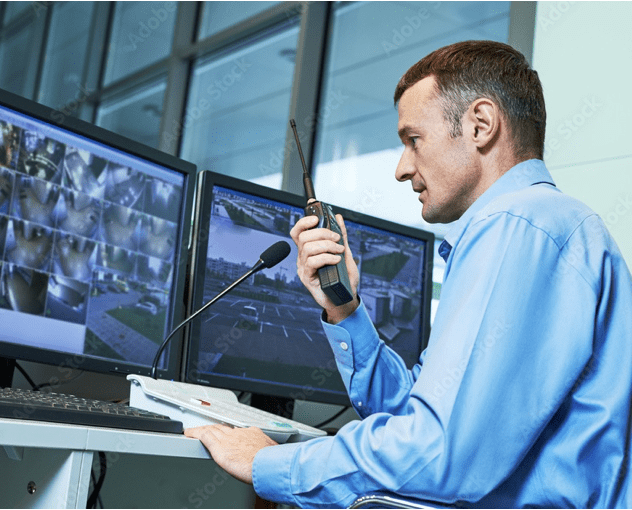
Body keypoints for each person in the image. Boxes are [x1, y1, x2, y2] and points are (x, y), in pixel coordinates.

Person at [185, 40, 632, 508]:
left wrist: (270, 465)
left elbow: (437, 453)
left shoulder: (517, 225)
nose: (402, 169)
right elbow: (418, 415)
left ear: (481, 124)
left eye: (413, 139)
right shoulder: (538, 227)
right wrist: (346, 308)